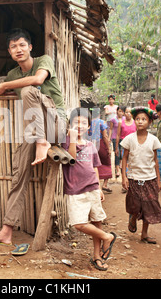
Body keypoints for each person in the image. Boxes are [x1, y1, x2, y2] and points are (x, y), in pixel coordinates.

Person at [0, 28, 66, 245]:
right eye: (13, 47)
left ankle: (41, 142)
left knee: (28, 90)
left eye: (21, 45)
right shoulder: (13, 74)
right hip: (36, 131)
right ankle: (6, 231)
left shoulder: (43, 61)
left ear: (30, 47)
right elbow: (6, 88)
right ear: (9, 51)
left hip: (56, 124)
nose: (18, 50)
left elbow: (37, 81)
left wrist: (5, 85)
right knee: (19, 171)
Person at [62, 108, 117, 271]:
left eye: (84, 123)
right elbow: (70, 159)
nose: (80, 126)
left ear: (89, 126)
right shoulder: (66, 142)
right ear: (70, 124)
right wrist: (72, 138)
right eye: (76, 122)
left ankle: (97, 256)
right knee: (78, 223)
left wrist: (99, 188)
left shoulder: (91, 146)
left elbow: (95, 168)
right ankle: (108, 237)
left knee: (96, 222)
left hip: (92, 187)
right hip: (75, 189)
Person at [121, 107, 161, 244]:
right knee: (135, 204)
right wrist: (124, 176)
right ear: (134, 121)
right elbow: (125, 158)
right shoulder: (129, 139)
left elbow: (155, 161)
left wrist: (158, 179)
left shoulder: (153, 140)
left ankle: (144, 234)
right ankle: (133, 217)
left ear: (149, 122)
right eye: (138, 119)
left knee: (148, 207)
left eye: (144, 119)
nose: (140, 122)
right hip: (134, 178)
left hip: (149, 178)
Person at [88, 108, 112, 193]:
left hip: (91, 145)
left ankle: (95, 184)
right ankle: (104, 184)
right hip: (100, 144)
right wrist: (108, 148)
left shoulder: (88, 122)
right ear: (99, 114)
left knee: (93, 164)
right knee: (107, 162)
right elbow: (105, 136)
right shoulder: (102, 122)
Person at [115, 106, 136, 190]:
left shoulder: (135, 122)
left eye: (130, 112)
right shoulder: (121, 123)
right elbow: (118, 135)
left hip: (134, 147)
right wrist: (116, 147)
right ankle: (125, 182)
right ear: (124, 113)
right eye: (127, 112)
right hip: (124, 146)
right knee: (124, 164)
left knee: (134, 164)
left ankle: (133, 183)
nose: (128, 114)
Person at [108, 105, 125, 178]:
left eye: (122, 111)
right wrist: (109, 138)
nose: (121, 113)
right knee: (116, 153)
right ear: (117, 111)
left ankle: (120, 164)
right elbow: (111, 129)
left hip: (123, 138)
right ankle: (117, 169)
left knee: (122, 153)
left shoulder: (125, 119)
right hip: (115, 138)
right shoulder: (113, 119)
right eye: (120, 111)